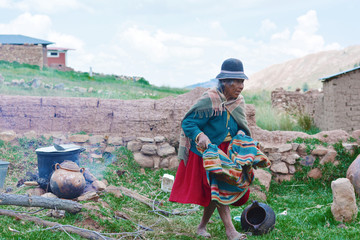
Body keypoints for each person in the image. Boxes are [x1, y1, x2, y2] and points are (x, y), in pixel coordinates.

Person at [170, 58, 253, 240]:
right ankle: (230, 231)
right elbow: (188, 122)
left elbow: (240, 125)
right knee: (219, 188)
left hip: (229, 152)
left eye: (242, 81)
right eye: (237, 81)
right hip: (210, 152)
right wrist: (200, 136)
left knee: (216, 191)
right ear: (225, 82)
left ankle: (202, 226)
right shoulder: (210, 99)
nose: (241, 86)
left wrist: (243, 141)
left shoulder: (238, 102)